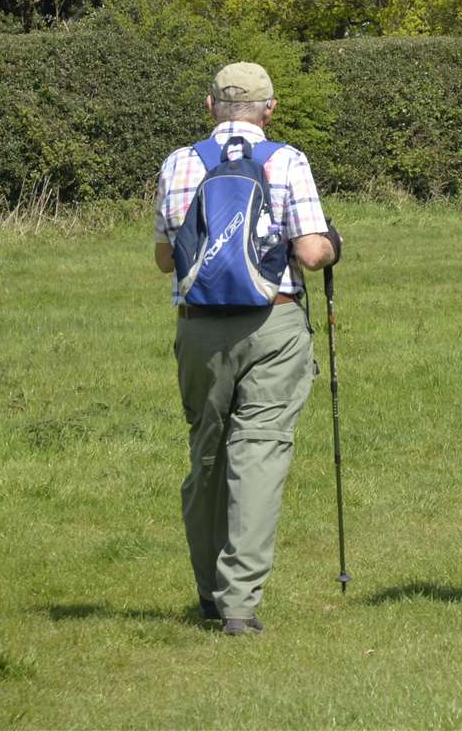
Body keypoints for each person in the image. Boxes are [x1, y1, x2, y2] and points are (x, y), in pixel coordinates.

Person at [153, 62, 341, 637]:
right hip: (272, 320)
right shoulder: (286, 161)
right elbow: (309, 253)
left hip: (198, 327)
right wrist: (333, 243)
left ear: (210, 107)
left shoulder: (180, 163)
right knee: (257, 453)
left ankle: (209, 593)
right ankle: (239, 603)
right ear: (270, 108)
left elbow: (166, 259)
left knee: (206, 453)